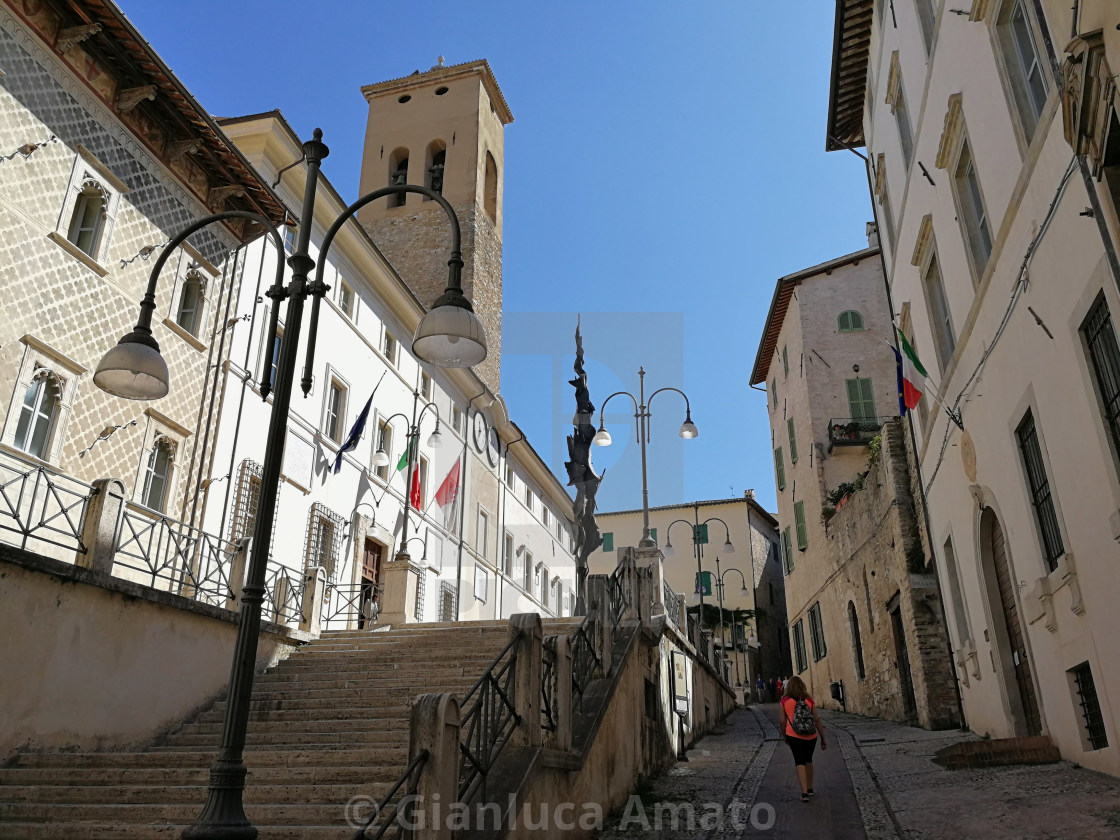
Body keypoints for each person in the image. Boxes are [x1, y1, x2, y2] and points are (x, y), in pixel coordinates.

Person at [779, 675, 827, 803]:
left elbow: (782, 721)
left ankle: (804, 793)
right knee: (808, 759)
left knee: (799, 760)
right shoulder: (809, 700)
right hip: (811, 735)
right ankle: (810, 788)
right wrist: (823, 737)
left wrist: (784, 735)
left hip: (793, 734)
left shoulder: (784, 701)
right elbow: (816, 719)